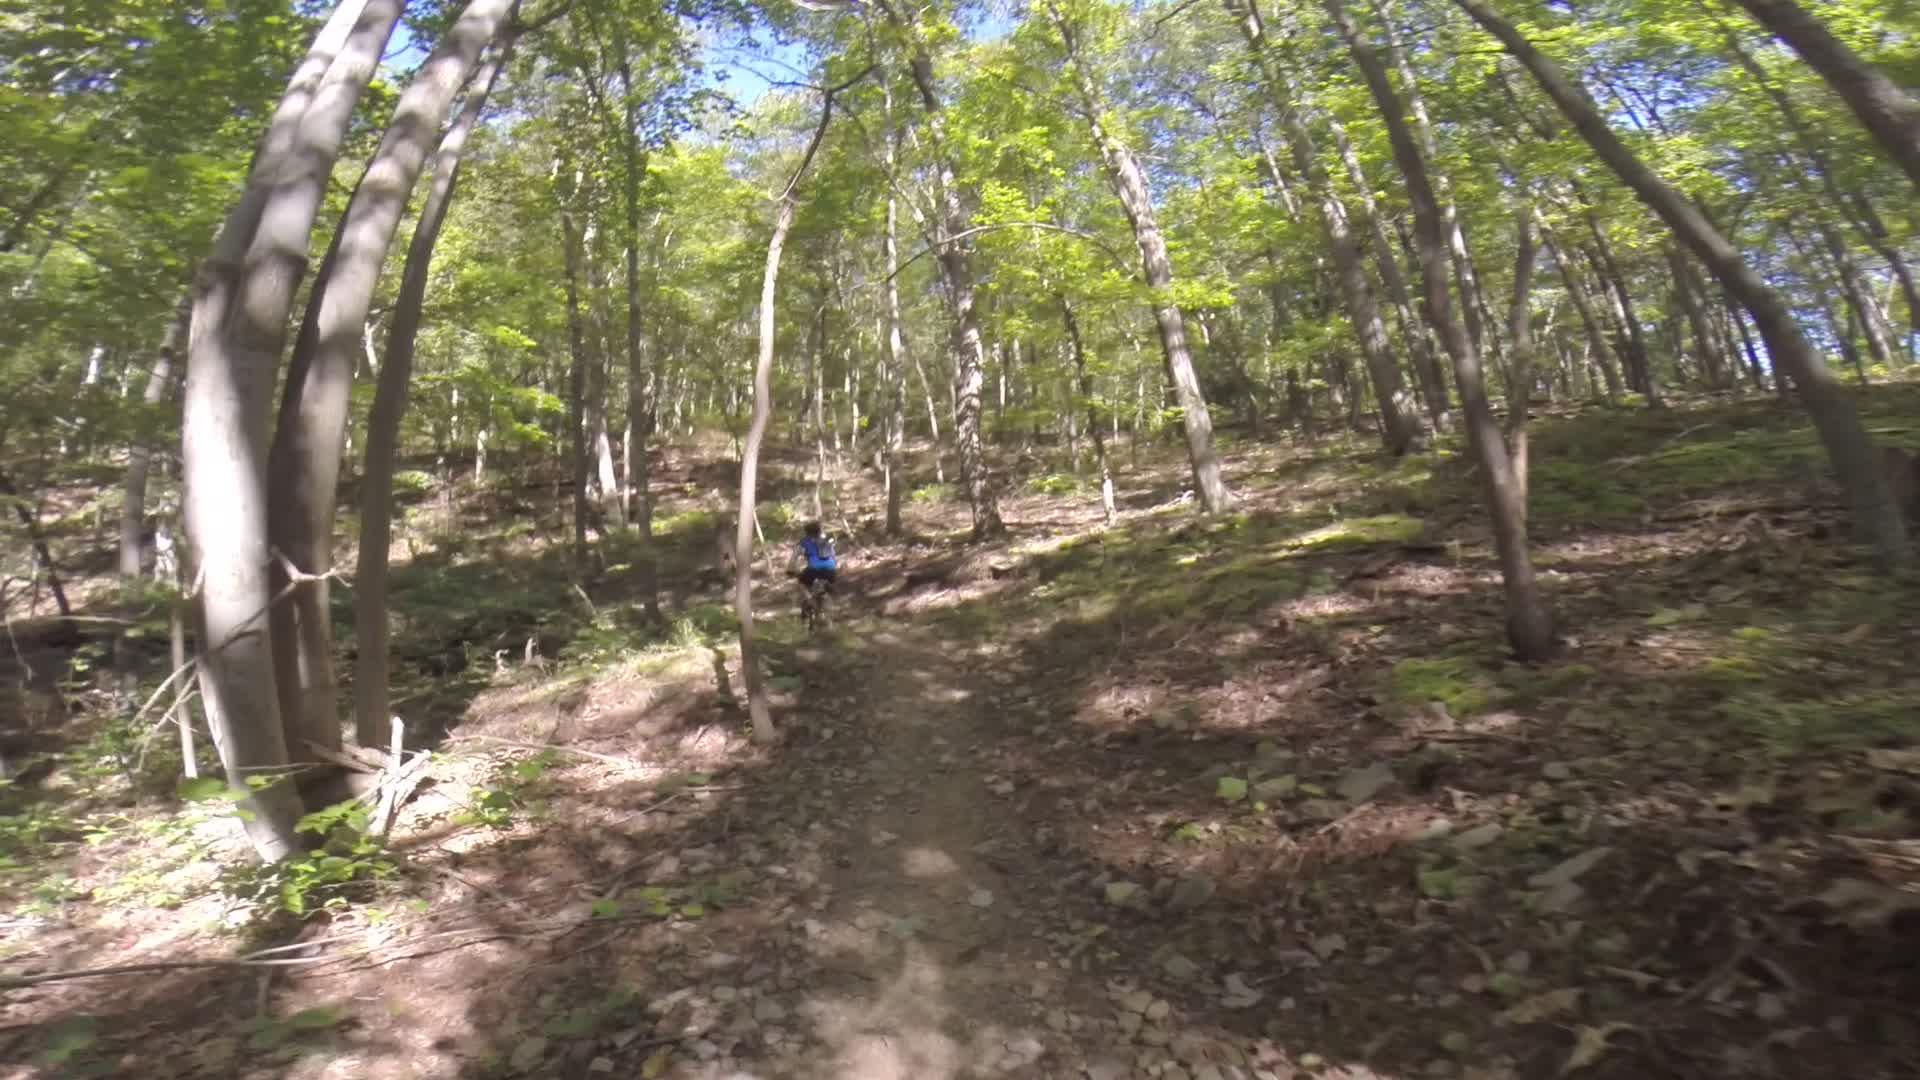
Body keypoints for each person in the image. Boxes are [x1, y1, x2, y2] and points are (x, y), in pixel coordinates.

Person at [795, 522, 838, 596]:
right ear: (820, 530)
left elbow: (794, 558)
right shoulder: (827, 540)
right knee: (828, 578)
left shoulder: (804, 542)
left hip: (813, 570)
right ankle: (831, 595)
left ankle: (810, 599)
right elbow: (833, 556)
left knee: (802, 581)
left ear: (807, 532)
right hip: (831, 570)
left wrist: (790, 570)